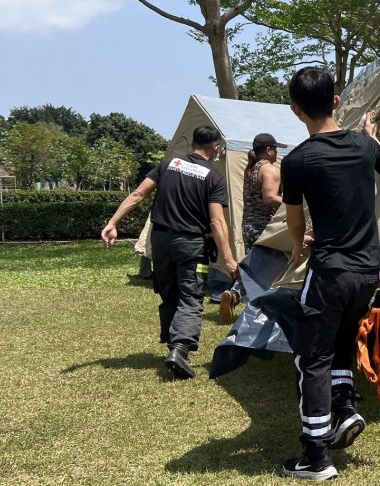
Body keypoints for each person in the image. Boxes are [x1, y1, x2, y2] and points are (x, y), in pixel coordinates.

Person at [279, 67, 380, 480]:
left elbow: (295, 220)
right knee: (340, 346)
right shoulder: (364, 146)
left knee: (312, 358)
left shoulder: (297, 160)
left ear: (296, 110)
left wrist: (300, 243)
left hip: (330, 272)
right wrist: (372, 137)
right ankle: (345, 409)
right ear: (335, 101)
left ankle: (315, 457)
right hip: (367, 272)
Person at [101, 126, 239, 379]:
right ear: (216, 148)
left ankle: (172, 341)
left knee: (169, 291)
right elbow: (217, 221)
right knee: (191, 295)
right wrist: (229, 259)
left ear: (193, 143)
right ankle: (180, 349)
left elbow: (137, 194)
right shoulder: (214, 178)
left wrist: (113, 222)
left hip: (161, 241)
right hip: (191, 244)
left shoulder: (168, 164)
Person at [218, 132, 284, 322]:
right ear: (269, 150)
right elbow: (269, 198)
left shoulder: (252, 168)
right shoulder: (269, 169)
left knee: (255, 267)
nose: (277, 153)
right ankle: (256, 305)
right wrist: (294, 206)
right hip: (265, 226)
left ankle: (235, 294)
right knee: (274, 266)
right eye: (276, 149)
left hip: (249, 224)